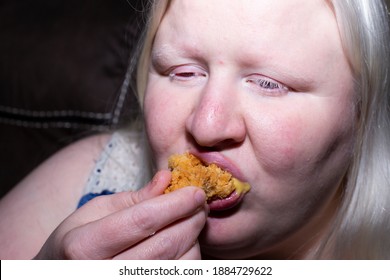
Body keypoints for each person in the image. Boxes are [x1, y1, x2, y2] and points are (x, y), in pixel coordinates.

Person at [0, 0, 389, 260]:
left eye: (269, 83)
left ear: (362, 115)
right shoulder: (90, 174)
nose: (205, 126)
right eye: (183, 72)